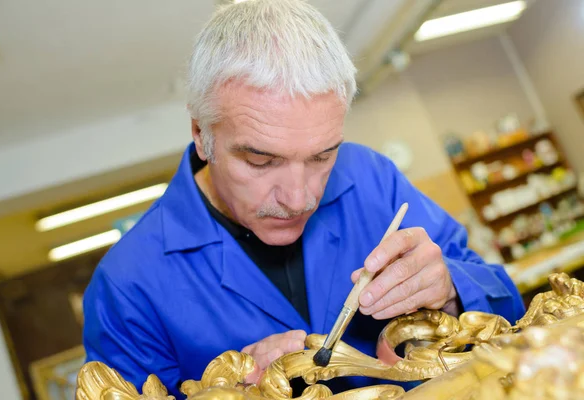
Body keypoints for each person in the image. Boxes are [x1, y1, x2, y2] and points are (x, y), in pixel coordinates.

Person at [82, 0, 525, 398]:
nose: (300, 197)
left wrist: (450, 290)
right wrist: (224, 394)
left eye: (322, 156)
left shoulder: (370, 176)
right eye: (260, 161)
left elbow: (509, 303)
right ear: (201, 133)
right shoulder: (126, 286)